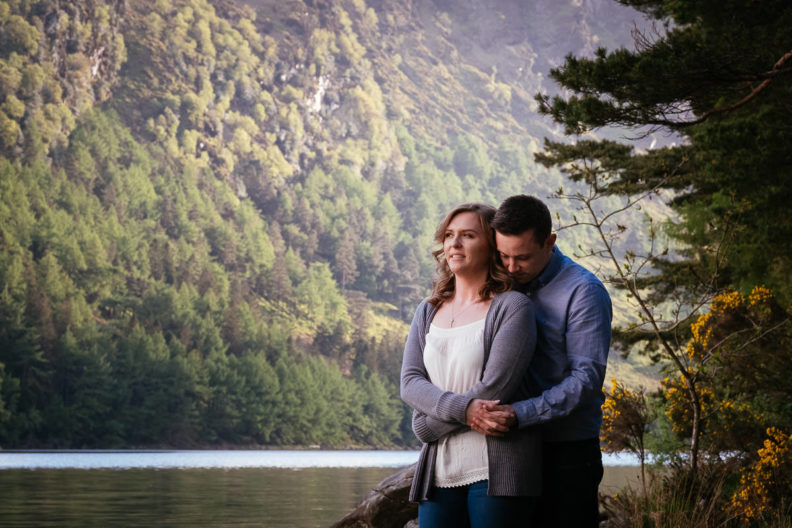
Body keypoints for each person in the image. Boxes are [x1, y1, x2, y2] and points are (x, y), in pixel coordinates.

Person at [468, 194, 613, 528]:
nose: (510, 267)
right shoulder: (501, 283)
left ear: (550, 242)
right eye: (503, 255)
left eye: (522, 258)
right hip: (510, 451)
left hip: (566, 452)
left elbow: (586, 380)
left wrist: (519, 413)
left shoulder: (584, 291)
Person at [400, 203, 541, 528]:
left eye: (467, 235)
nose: (454, 244)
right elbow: (410, 382)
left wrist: (427, 426)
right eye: (449, 235)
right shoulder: (427, 310)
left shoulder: (513, 307)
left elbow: (495, 390)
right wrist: (464, 411)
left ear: (491, 244)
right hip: (439, 470)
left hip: (499, 470)